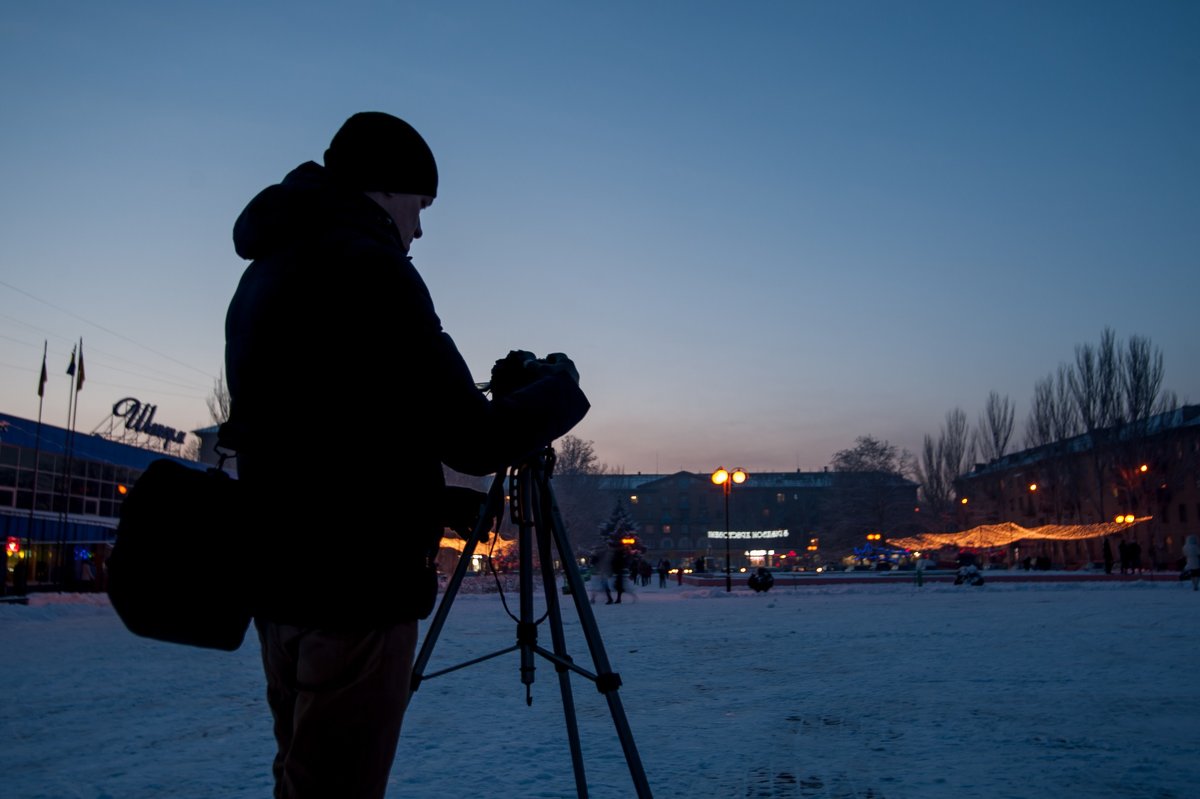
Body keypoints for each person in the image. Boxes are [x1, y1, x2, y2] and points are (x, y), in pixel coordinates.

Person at [222, 112, 589, 799]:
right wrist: (560, 392)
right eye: (421, 206)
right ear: (388, 189)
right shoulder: (370, 267)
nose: (419, 229)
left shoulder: (267, 271)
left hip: (282, 582)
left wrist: (430, 492)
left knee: (303, 775)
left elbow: (335, 430)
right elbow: (472, 437)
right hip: (356, 589)